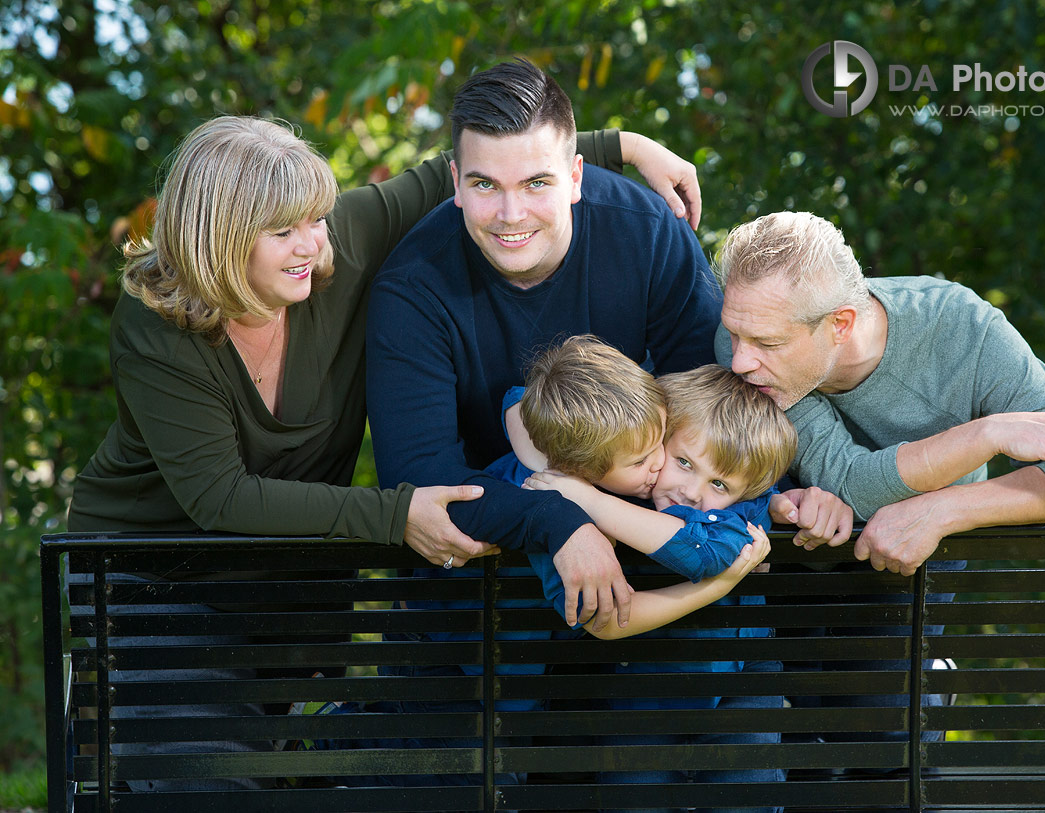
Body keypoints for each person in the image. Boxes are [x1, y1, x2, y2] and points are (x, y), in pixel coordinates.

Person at [65, 113, 709, 791]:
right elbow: (219, 496)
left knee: (286, 769)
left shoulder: (340, 243)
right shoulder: (158, 325)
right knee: (207, 781)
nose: (311, 244)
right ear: (220, 238)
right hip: (150, 581)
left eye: (315, 218)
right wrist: (395, 514)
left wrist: (629, 148)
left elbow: (467, 170)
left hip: (280, 581)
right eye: (283, 231)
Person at [715, 210, 1045, 755]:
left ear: (839, 324)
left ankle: (925, 685)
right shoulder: (747, 348)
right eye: (735, 331)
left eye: (765, 342)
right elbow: (853, 486)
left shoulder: (963, 330)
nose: (739, 359)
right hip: (800, 550)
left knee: (885, 733)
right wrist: (989, 434)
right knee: (800, 742)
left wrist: (949, 510)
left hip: (910, 567)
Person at [365, 58, 724, 634]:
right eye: (485, 185)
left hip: (649, 557)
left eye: (537, 183)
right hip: (481, 585)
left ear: (576, 176)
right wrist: (557, 519)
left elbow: (712, 405)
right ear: (456, 182)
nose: (511, 216)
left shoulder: (648, 232)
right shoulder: (413, 289)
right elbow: (422, 481)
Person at [520, 361, 817, 813]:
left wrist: (589, 501)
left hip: (742, 684)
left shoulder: (736, 516)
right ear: (655, 437)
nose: (693, 492)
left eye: (718, 483)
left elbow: (702, 551)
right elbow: (515, 401)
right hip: (642, 687)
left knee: (748, 800)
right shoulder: (616, 483)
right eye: (682, 462)